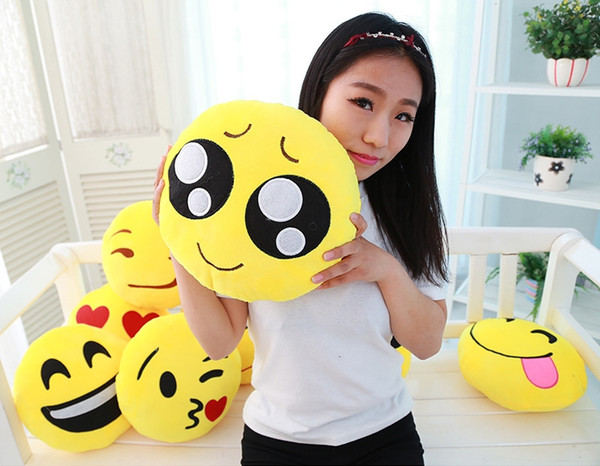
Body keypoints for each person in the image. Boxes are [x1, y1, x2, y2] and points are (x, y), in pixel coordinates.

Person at [153, 11, 448, 465]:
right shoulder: (255, 195)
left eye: (404, 115)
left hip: (382, 429)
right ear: (320, 91)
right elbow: (220, 342)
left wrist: (385, 270)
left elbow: (427, 344)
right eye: (363, 102)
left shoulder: (409, 212)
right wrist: (178, 238)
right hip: (277, 436)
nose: (379, 136)